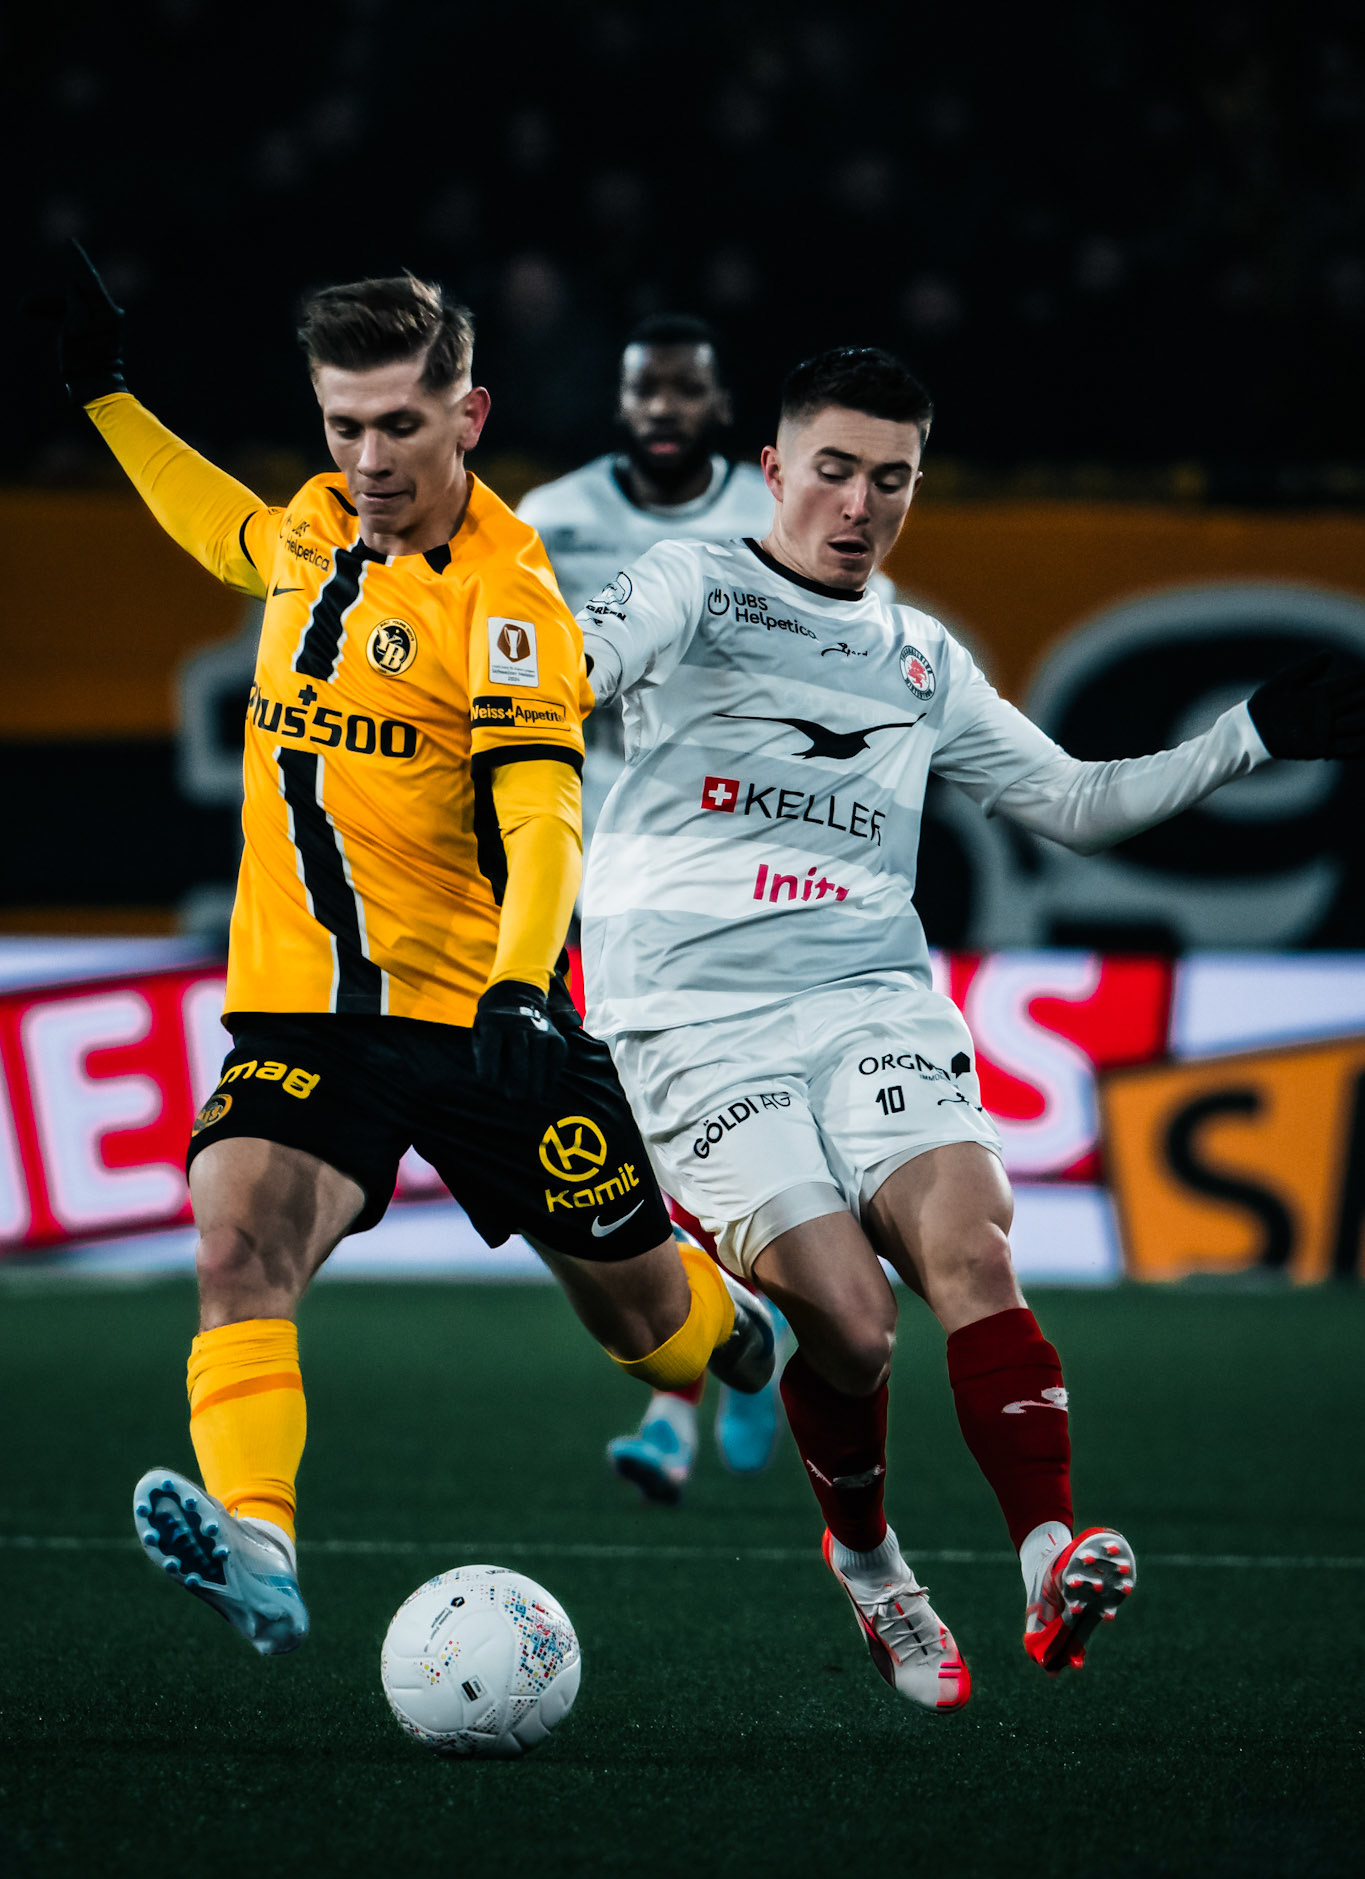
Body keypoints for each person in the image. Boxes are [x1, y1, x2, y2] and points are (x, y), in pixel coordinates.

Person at [573, 343, 1365, 1710]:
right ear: (772, 470)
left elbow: (1076, 802)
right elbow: (570, 669)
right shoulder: (688, 589)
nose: (859, 504)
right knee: (853, 1325)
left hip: (869, 995)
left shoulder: (919, 655)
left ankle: (1046, 1551)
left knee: (970, 1241)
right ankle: (872, 1565)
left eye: (892, 480)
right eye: (832, 470)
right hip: (690, 1024)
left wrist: (1250, 735)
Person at [31, 246, 777, 1657]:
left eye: (401, 427)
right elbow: (226, 531)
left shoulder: (506, 600)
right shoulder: (312, 526)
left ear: (469, 416)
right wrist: (104, 395)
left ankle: (744, 1337)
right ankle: (259, 1547)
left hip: (486, 1016)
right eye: (343, 425)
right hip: (307, 1016)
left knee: (649, 1322)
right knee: (236, 1240)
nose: (369, 459)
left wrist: (515, 981)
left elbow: (543, 807)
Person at [519, 315, 794, 1500]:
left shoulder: (773, 520)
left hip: (743, 872)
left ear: (719, 404)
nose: (665, 408)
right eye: (646, 390)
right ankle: (741, 1358)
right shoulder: (549, 517)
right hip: (600, 881)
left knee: (722, 1129)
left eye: (686, 390)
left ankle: (691, 1396)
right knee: (640, 1133)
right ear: (621, 401)